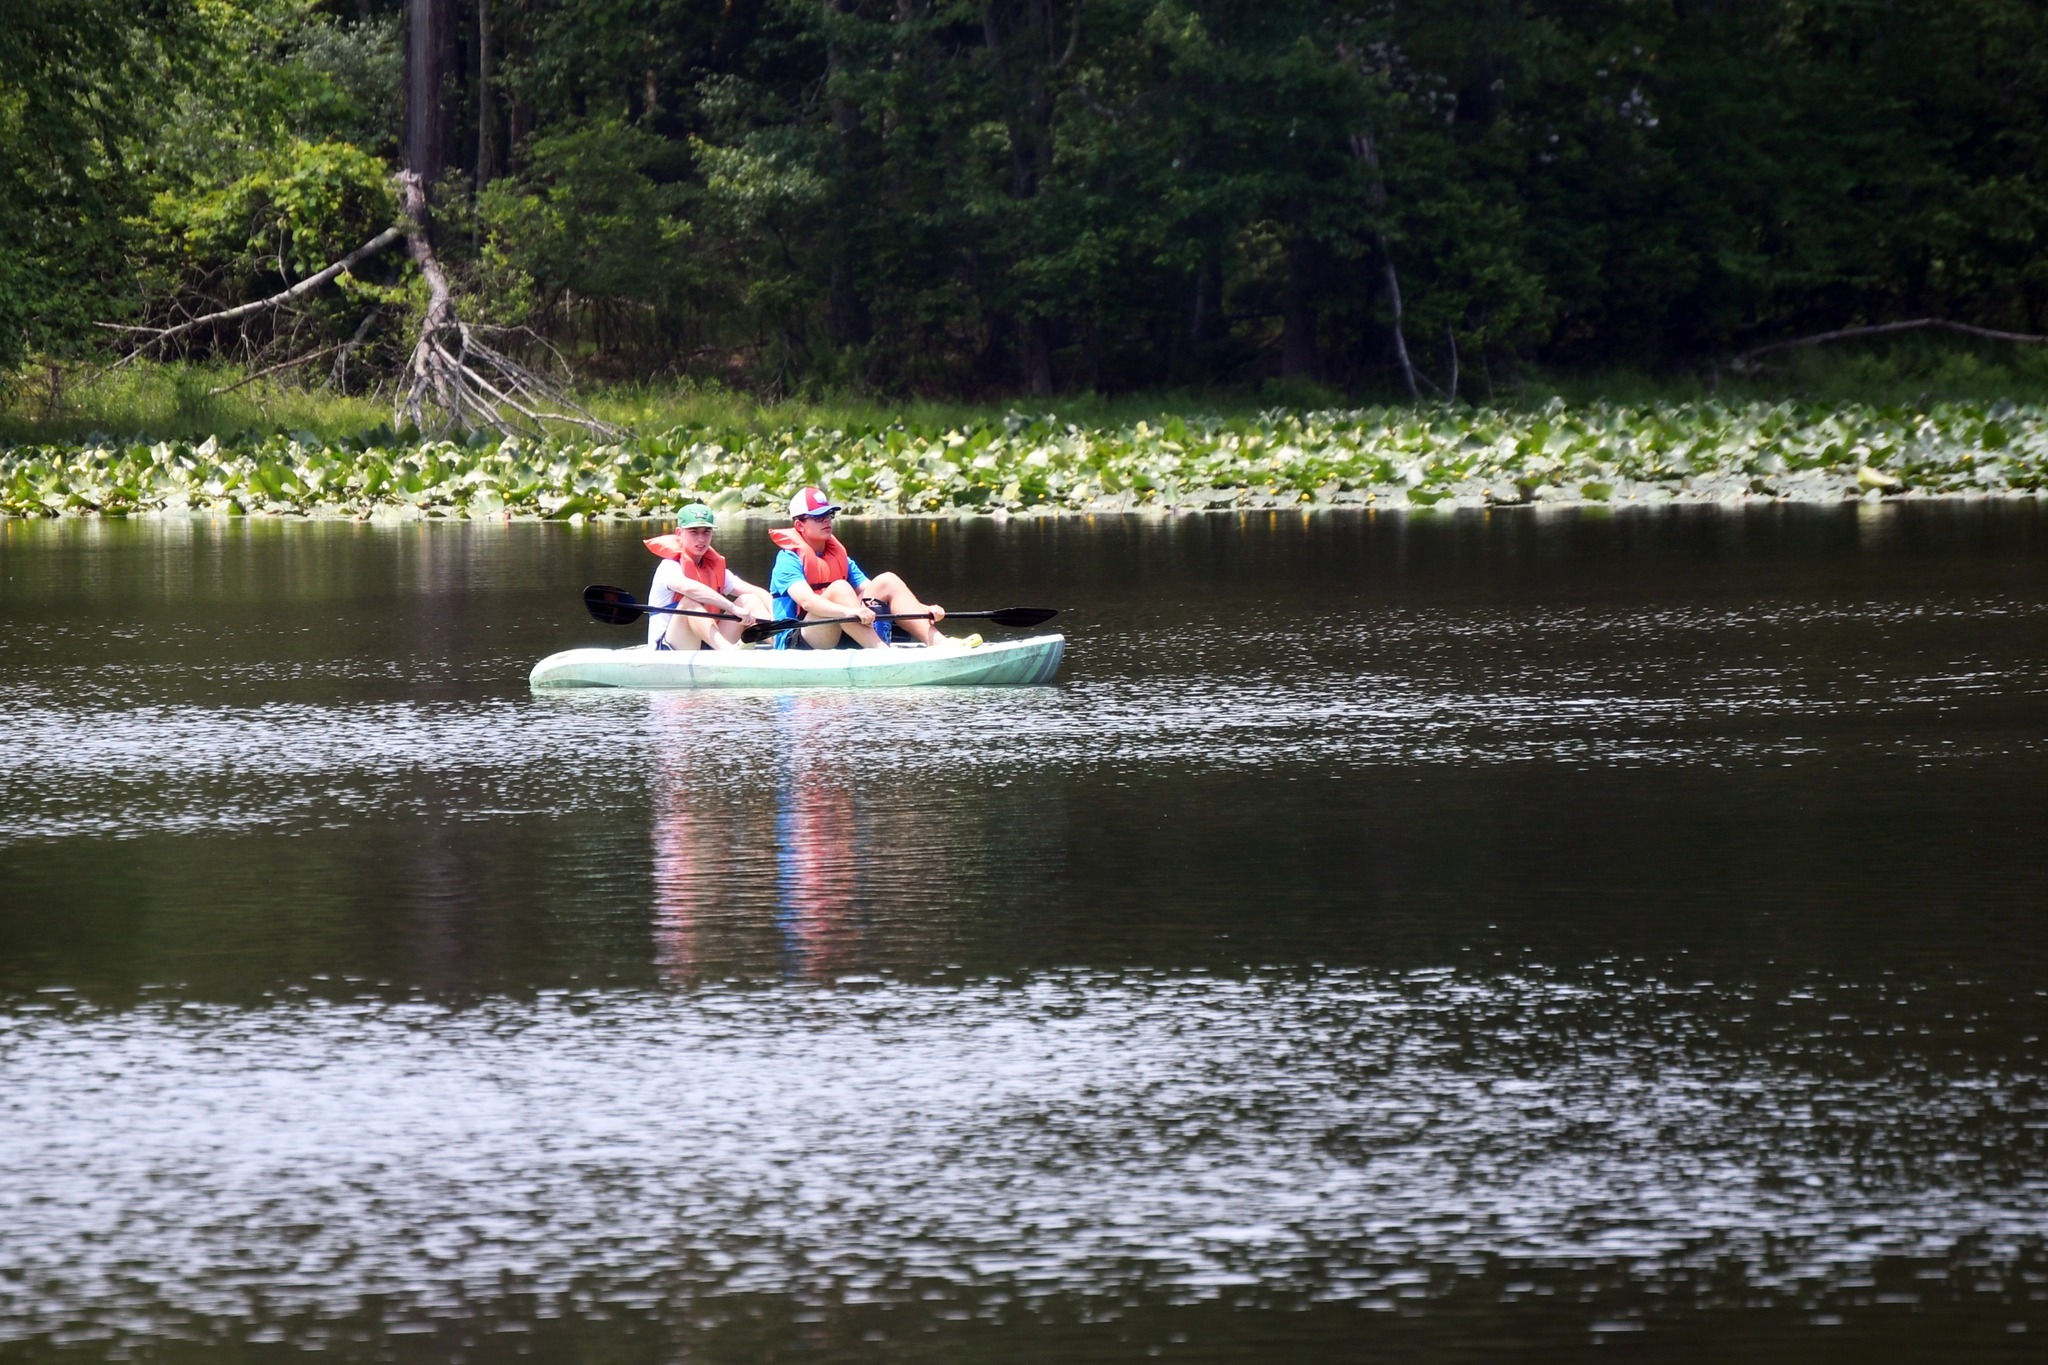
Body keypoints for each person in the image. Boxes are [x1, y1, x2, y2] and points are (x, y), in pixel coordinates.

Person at [767, 487, 949, 650]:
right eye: (818, 517)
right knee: (841, 588)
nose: (826, 520)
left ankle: (939, 642)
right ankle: (881, 651)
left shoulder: (840, 558)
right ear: (799, 525)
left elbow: (875, 591)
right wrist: (849, 612)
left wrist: (923, 609)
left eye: (828, 514)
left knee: (887, 580)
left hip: (843, 628)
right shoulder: (787, 560)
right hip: (798, 640)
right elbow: (807, 602)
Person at [644, 503, 772, 651]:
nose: (701, 538)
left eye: (706, 532)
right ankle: (729, 652)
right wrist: (732, 608)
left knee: (750, 600)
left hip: (706, 645)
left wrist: (776, 617)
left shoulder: (713, 569)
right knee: (689, 602)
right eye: (694, 532)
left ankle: (780, 642)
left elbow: (759, 593)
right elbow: (690, 589)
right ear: (679, 533)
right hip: (669, 648)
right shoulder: (668, 567)